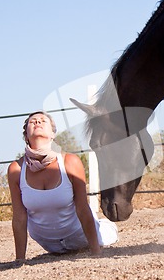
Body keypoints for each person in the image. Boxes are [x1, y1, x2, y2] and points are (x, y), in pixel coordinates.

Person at [7, 111, 118, 260]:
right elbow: (19, 217)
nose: (37, 122)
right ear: (26, 136)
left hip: (79, 236)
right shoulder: (16, 169)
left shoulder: (70, 162)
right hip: (49, 243)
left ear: (53, 134)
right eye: (32, 121)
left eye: (43, 121)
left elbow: (83, 208)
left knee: (106, 231)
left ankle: (105, 227)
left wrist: (96, 251)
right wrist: (19, 260)